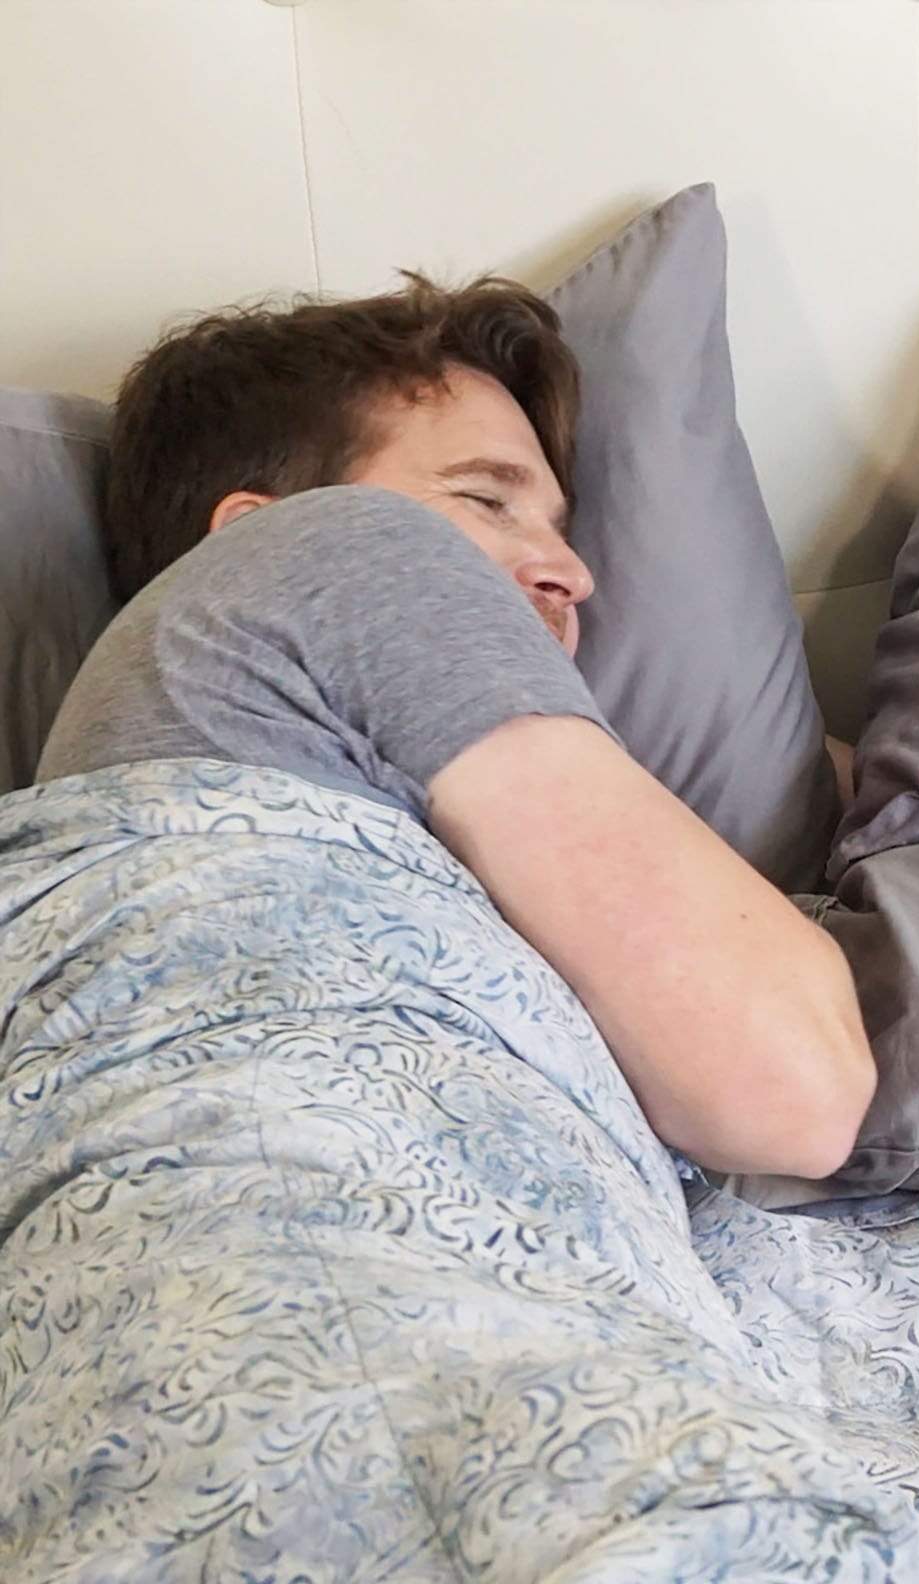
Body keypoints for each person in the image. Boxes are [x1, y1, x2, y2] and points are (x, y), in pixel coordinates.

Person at [38, 277, 875, 1181]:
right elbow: (794, 1091)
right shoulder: (345, 546)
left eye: (558, 527)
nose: (575, 574)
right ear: (252, 533)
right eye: (485, 500)